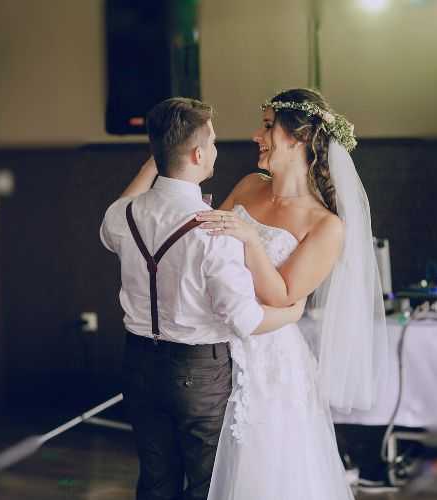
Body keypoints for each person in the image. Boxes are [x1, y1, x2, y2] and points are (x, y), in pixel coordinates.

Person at [99, 97, 306, 500]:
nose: (215, 149)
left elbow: (109, 228)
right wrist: (292, 312)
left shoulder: (122, 217)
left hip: (138, 364)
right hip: (199, 373)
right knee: (206, 486)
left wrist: (156, 162)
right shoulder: (215, 231)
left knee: (156, 481)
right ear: (197, 154)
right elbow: (245, 321)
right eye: (211, 141)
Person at [195, 88, 389, 499]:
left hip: (271, 363)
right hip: (215, 340)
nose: (255, 135)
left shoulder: (326, 225)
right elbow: (210, 246)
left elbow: (283, 295)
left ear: (298, 138)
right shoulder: (249, 186)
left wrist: (248, 237)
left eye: (267, 126)